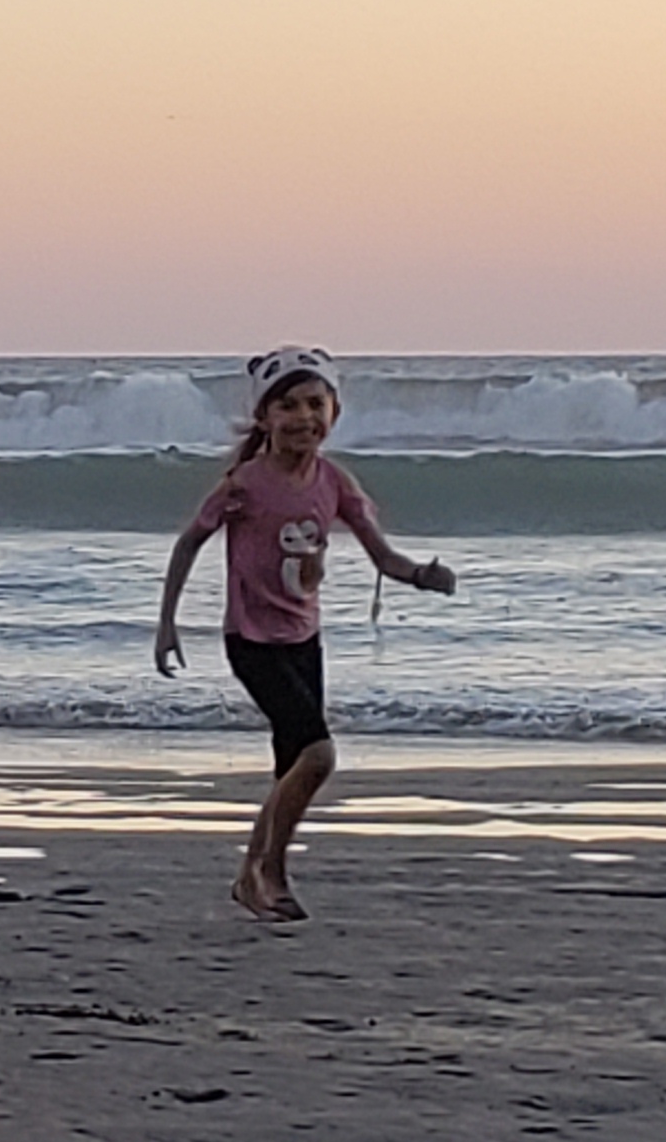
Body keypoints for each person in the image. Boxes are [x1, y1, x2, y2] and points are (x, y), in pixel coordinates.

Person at [153, 345, 458, 921]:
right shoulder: (245, 483)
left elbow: (382, 556)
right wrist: (168, 623)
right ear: (264, 418)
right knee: (318, 755)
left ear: (334, 413)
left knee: (289, 768)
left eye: (314, 403)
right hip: (250, 639)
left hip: (303, 641)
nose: (302, 417)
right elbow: (189, 541)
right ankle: (273, 871)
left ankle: (252, 876)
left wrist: (422, 575)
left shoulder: (336, 483)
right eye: (287, 405)